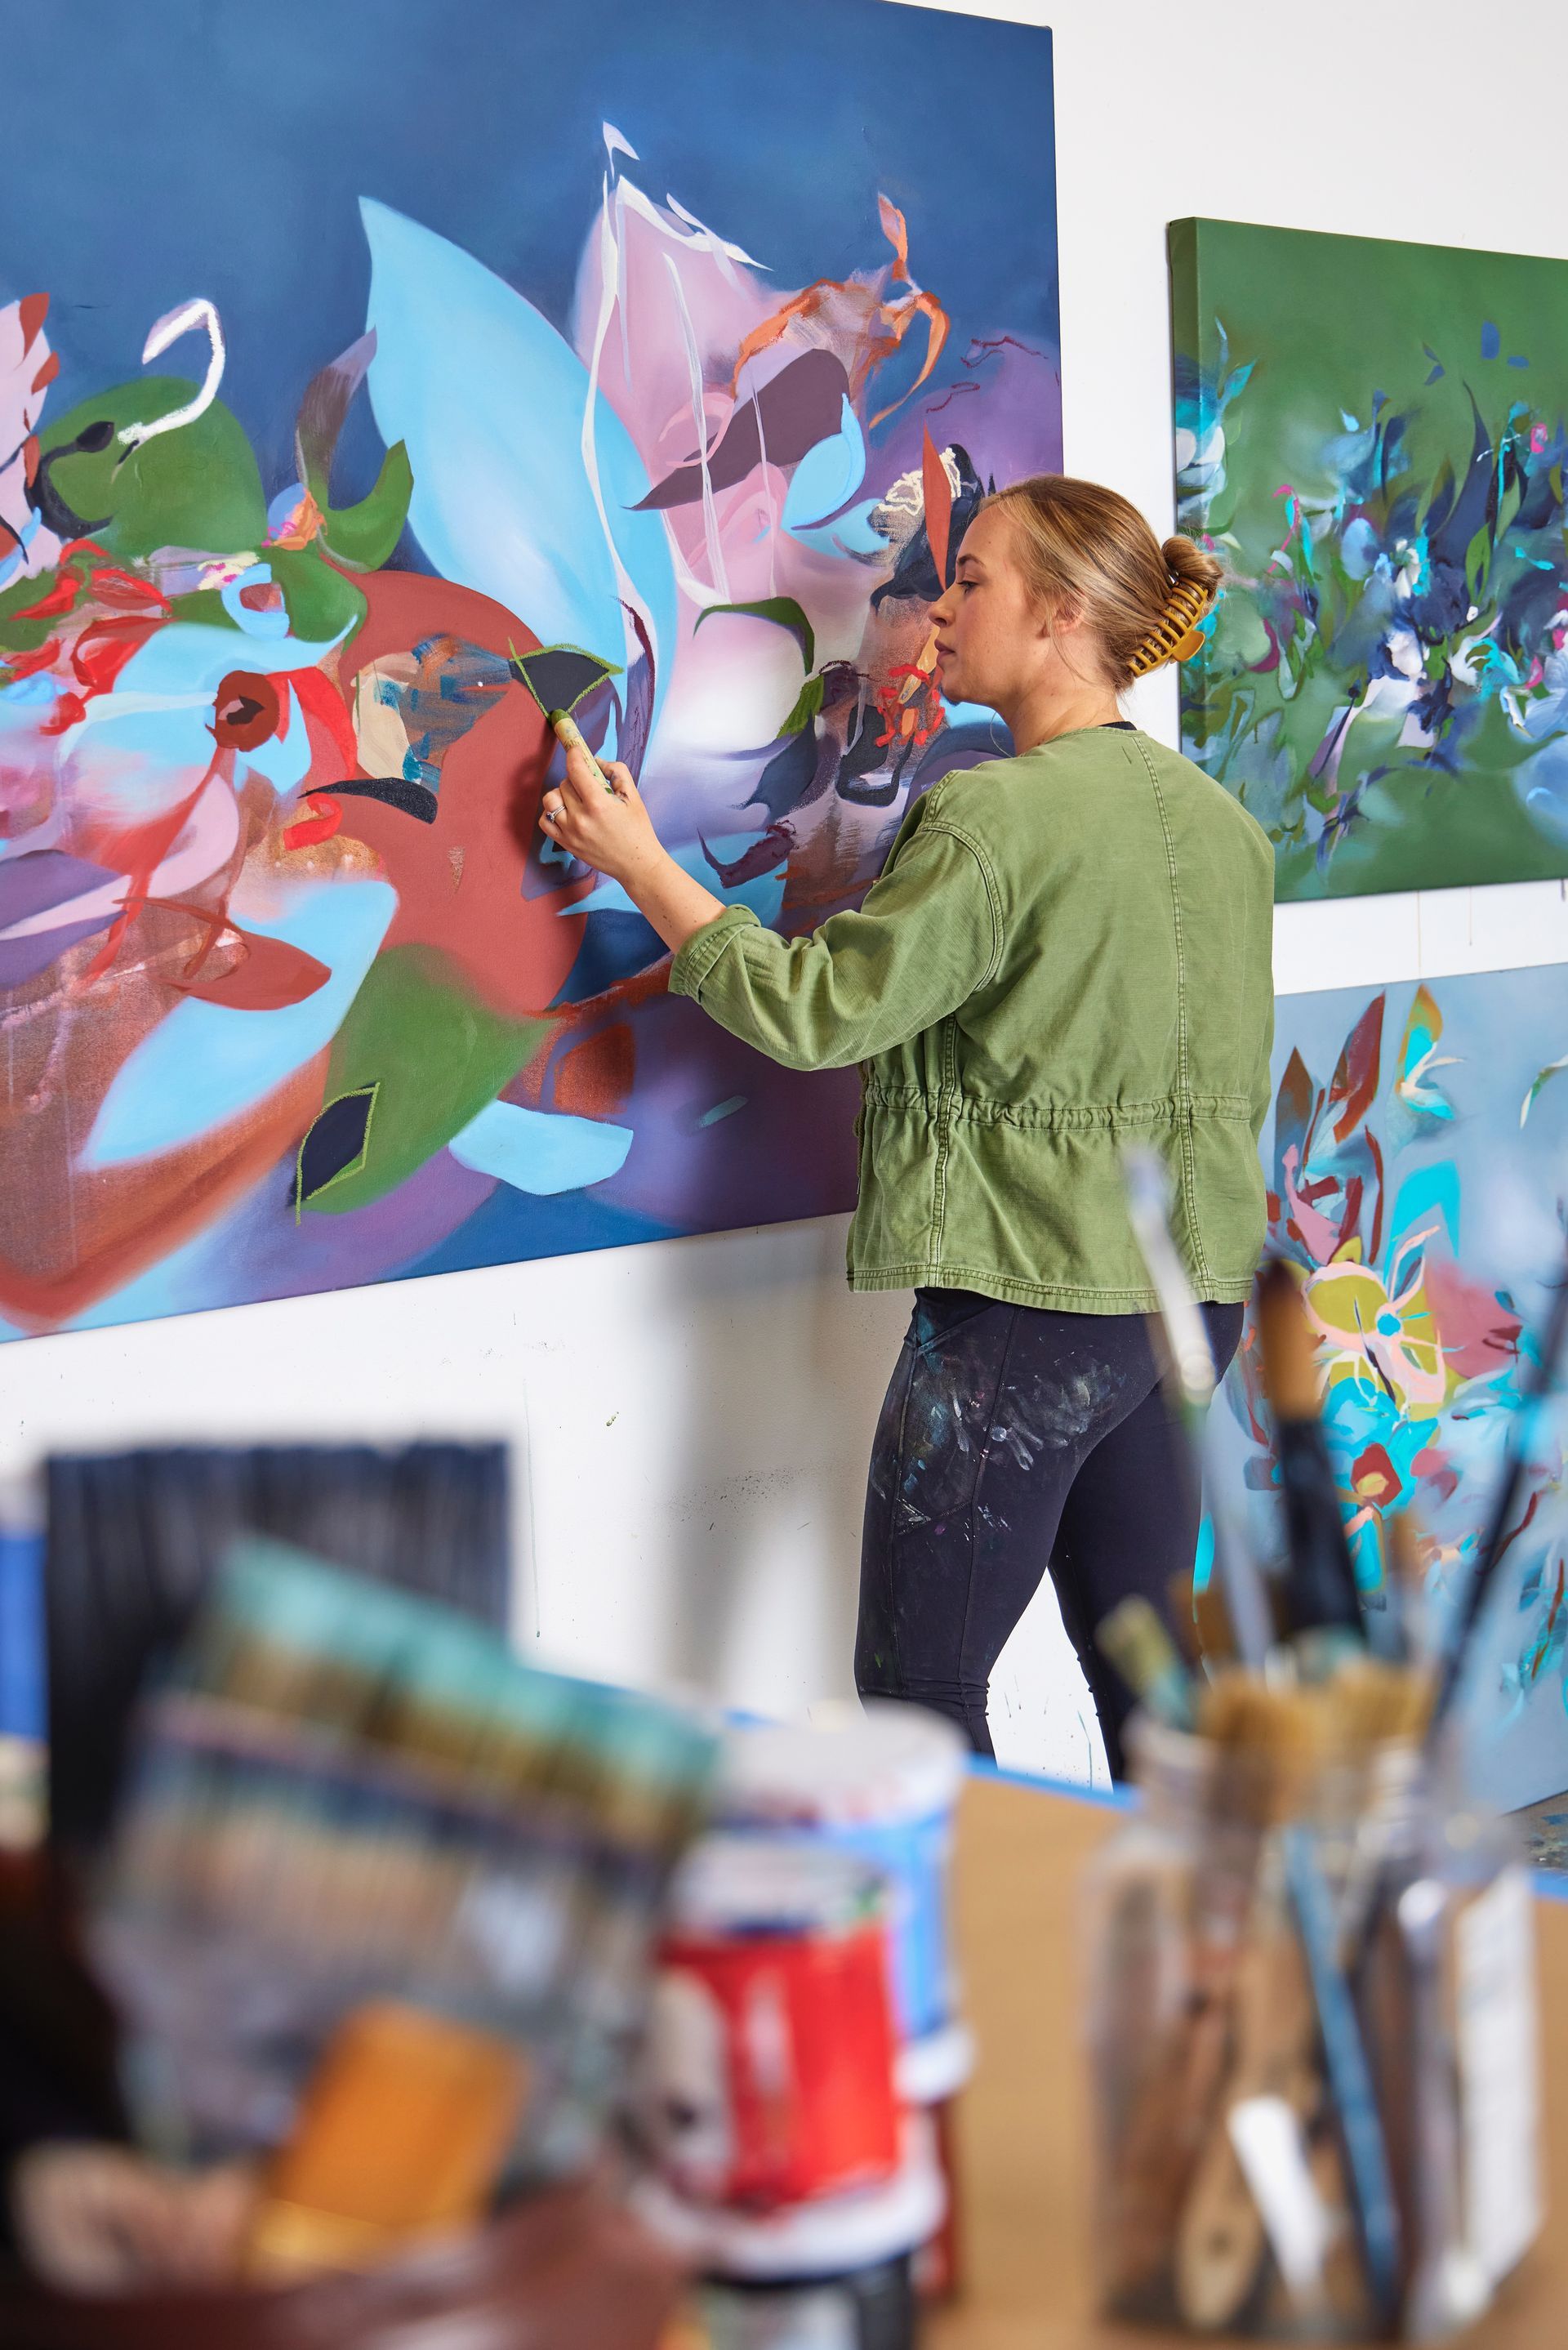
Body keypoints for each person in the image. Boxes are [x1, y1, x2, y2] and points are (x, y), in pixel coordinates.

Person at [538, 474, 1274, 1777]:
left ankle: (958, 1975)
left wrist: (641, 863)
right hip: (1186, 1304)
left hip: (1027, 1304)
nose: (939, 608)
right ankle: (1218, 1974)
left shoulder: (995, 815)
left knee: (914, 1694)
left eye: (973, 579)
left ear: (1057, 616)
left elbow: (823, 1014)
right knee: (1151, 1672)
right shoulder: (1226, 832)